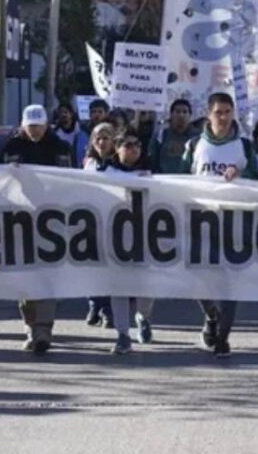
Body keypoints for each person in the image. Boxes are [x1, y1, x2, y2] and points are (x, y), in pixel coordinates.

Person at [183, 92, 258, 358]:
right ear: (209, 114)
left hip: (234, 222)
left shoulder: (245, 146)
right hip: (200, 221)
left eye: (228, 112)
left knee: (230, 283)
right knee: (198, 280)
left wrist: (242, 174)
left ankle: (223, 337)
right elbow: (176, 178)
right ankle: (211, 316)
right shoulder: (194, 145)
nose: (224, 117)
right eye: (219, 112)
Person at [0, 104, 73, 355]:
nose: (35, 131)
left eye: (39, 126)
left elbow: (71, 180)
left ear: (46, 125)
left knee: (46, 278)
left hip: (52, 221)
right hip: (19, 220)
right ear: (22, 125)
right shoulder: (11, 147)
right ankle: (30, 326)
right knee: (24, 278)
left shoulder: (61, 148)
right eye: (30, 127)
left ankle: (44, 330)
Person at [96, 130, 155, 354]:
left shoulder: (151, 171)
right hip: (115, 235)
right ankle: (122, 334)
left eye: (137, 144)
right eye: (128, 145)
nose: (133, 149)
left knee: (147, 285)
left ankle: (143, 317)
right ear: (117, 147)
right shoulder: (105, 171)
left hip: (145, 234)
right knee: (118, 285)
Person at [83, 122, 118, 327]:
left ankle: (107, 309)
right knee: (91, 266)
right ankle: (94, 304)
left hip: (114, 222)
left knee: (109, 268)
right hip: (91, 221)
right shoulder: (89, 164)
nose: (102, 142)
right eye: (98, 138)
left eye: (106, 137)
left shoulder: (118, 164)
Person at [149, 99, 197, 174]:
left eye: (185, 112)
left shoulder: (197, 137)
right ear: (171, 115)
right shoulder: (161, 135)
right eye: (177, 111)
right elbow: (152, 160)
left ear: (190, 116)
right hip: (164, 180)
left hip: (189, 181)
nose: (181, 115)